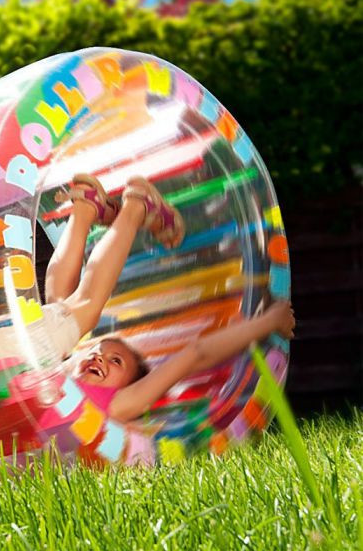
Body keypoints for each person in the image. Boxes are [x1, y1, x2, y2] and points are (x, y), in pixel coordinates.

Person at [42, 174, 295, 423]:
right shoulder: (67, 380)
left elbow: (194, 354)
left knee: (62, 313)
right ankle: (135, 207)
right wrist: (270, 321)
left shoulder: (117, 405)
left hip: (16, 371)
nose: (99, 357)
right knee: (70, 313)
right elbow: (196, 353)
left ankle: (86, 210)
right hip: (19, 367)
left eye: (115, 361)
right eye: (102, 353)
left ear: (130, 387)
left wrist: (271, 321)